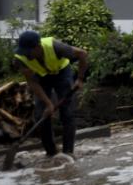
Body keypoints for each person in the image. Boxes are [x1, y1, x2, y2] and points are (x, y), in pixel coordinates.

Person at [11, 30, 88, 159]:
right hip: (41, 77)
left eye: (28, 52)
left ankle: (68, 152)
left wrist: (80, 79)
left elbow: (82, 54)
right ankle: (51, 152)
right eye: (23, 52)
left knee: (67, 112)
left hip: (62, 73)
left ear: (38, 47)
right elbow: (32, 82)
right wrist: (48, 104)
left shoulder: (56, 47)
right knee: (41, 114)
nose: (26, 55)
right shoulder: (20, 59)